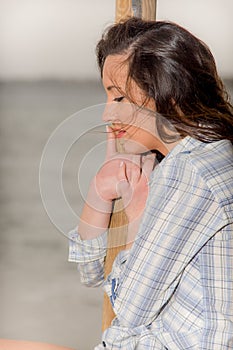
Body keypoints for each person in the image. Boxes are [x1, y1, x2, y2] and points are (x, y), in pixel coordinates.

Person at [68, 17, 233, 349]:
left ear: (166, 91)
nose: (106, 115)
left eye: (118, 98)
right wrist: (101, 188)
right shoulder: (193, 155)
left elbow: (129, 308)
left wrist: (138, 213)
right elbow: (91, 273)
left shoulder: (191, 173)